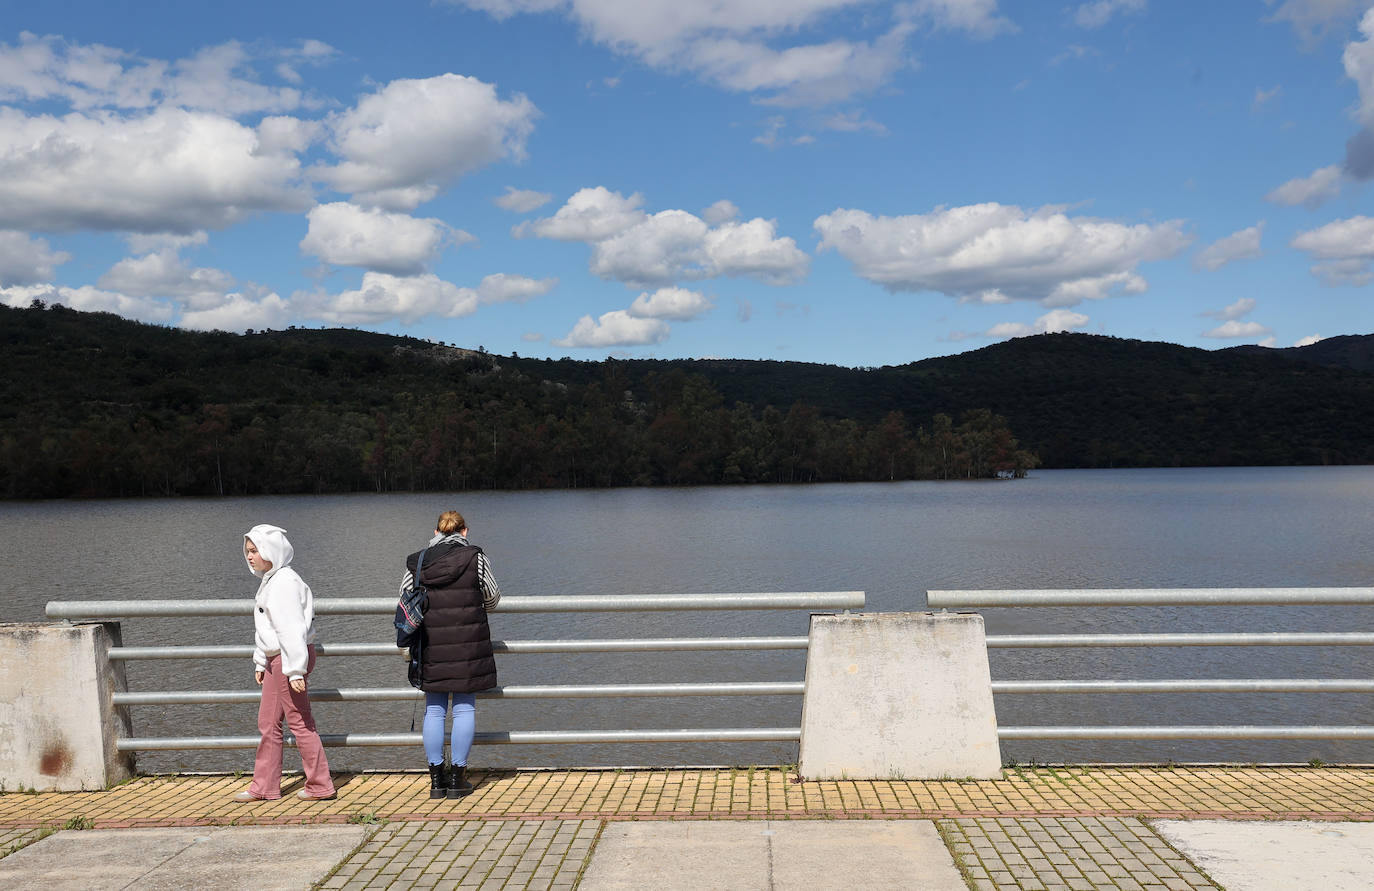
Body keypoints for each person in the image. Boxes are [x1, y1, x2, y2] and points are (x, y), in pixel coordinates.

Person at [401, 510, 500, 799]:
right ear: (464, 532)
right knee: (465, 708)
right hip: (468, 644)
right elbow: (492, 598)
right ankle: (458, 779)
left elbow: (406, 599)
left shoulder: (418, 562)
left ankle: (436, 781)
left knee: (434, 709)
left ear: (436, 533)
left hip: (430, 642)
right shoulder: (476, 558)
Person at [233, 524, 336, 802]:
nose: (249, 556)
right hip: (278, 659)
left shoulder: (283, 583)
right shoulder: (272, 579)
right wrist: (259, 661)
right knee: (268, 722)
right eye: (248, 551)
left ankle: (320, 785)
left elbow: (291, 630)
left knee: (300, 722)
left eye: (255, 551)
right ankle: (265, 786)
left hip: (287, 660)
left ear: (271, 551)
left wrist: (295, 670)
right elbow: (268, 627)